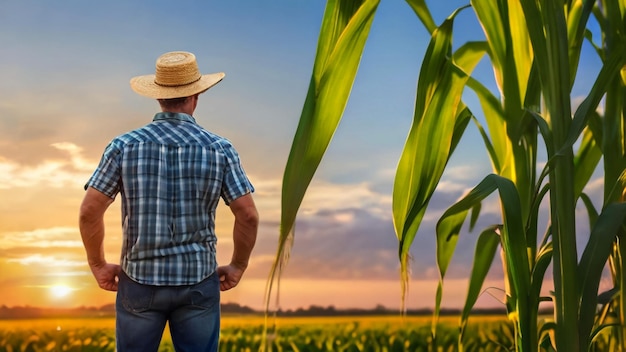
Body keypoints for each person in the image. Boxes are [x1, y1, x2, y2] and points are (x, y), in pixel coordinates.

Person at [79, 51, 258, 351]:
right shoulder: (221, 149)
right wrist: (237, 265)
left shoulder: (124, 146)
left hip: (138, 280)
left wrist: (98, 264)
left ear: (158, 96)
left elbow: (89, 211)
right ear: (196, 95)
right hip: (198, 281)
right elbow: (248, 216)